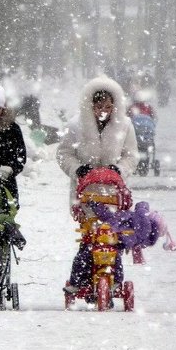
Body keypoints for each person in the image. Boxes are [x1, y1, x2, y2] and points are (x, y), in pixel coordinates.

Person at [56, 75, 139, 294]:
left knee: (112, 241)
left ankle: (114, 281)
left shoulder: (125, 126)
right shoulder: (75, 126)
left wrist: (119, 170)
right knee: (89, 240)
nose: (103, 110)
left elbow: (131, 155)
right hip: (85, 194)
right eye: (98, 106)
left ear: (115, 106)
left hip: (114, 195)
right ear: (90, 105)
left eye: (108, 106)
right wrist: (77, 169)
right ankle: (80, 279)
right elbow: (64, 153)